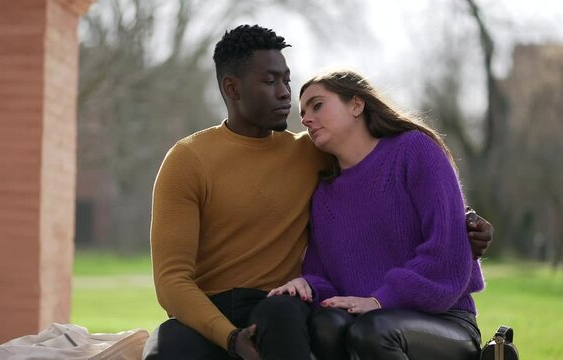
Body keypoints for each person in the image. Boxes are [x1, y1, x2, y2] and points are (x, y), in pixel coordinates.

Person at [146, 25, 492, 360]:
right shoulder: (190, 159)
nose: (286, 95)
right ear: (232, 88)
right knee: (167, 349)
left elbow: (422, 207)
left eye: (287, 81)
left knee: (306, 320)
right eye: (270, 82)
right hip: (210, 307)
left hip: (280, 306)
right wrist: (236, 332)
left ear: (357, 105)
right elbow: (172, 278)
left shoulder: (333, 153)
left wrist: (466, 229)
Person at [269, 69, 486, 360]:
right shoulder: (324, 195)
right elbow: (323, 277)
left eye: (317, 105)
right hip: (368, 320)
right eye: (303, 112)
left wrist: (380, 300)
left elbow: (446, 253)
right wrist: (307, 285)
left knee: (374, 330)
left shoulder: (414, 150)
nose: (306, 119)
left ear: (357, 105)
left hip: (443, 321)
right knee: (325, 325)